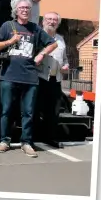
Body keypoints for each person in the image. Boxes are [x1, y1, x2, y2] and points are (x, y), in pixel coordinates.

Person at [0, 0, 58, 157]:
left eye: (28, 8)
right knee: (6, 110)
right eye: (22, 7)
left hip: (30, 76)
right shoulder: (8, 26)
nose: (25, 10)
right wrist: (10, 41)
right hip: (9, 75)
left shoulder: (35, 28)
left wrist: (41, 54)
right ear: (16, 10)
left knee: (28, 112)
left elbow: (52, 44)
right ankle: (4, 141)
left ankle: (26, 142)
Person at [35, 12, 69, 147]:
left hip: (56, 80)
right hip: (40, 77)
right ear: (43, 22)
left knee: (53, 111)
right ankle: (33, 138)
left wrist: (66, 65)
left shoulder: (60, 39)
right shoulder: (38, 36)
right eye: (49, 19)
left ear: (58, 23)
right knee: (36, 109)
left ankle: (50, 138)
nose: (52, 22)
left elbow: (65, 58)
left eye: (55, 20)